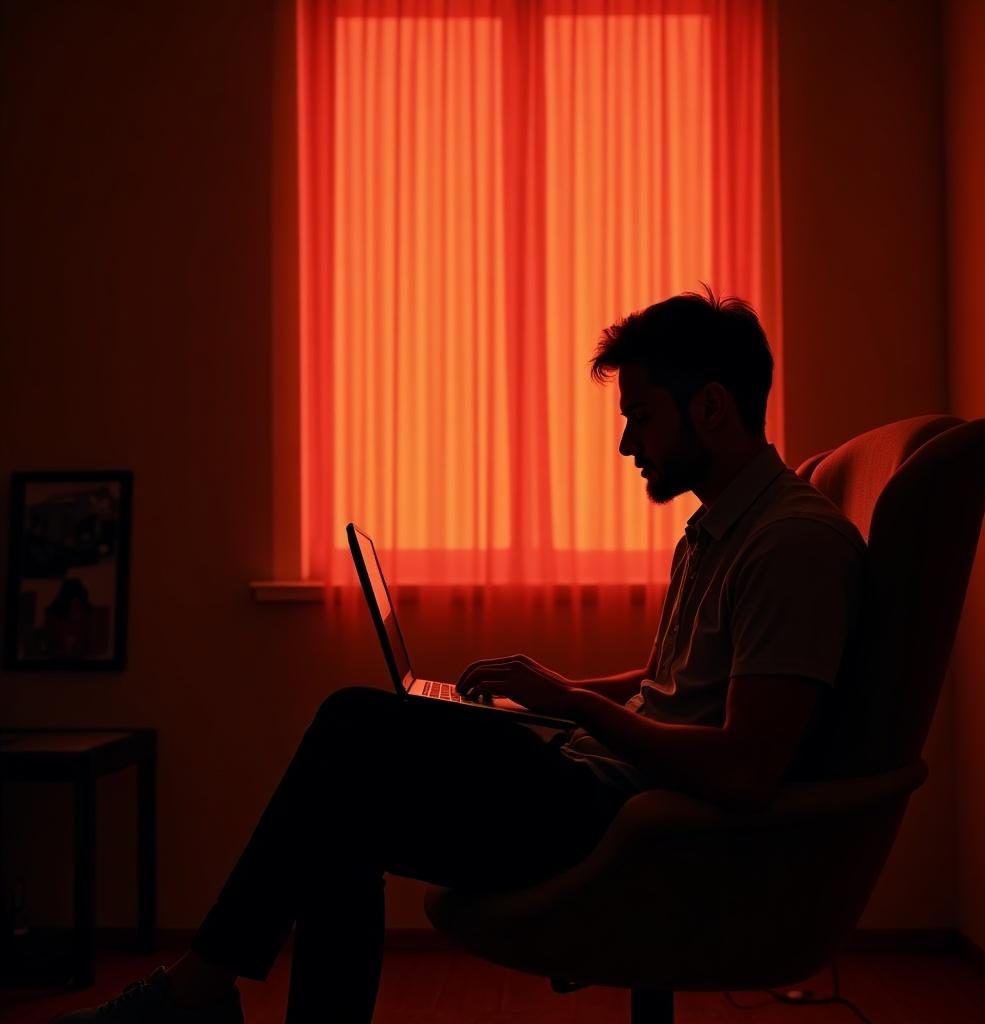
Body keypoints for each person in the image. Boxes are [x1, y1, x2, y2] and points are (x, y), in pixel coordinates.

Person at [54, 287, 865, 1024]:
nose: (626, 444)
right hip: (598, 785)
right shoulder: (719, 529)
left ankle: (194, 993)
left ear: (714, 409)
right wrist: (555, 691)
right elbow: (674, 686)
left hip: (629, 822)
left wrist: (574, 705)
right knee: (342, 817)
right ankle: (202, 993)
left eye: (642, 415)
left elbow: (745, 768)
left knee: (351, 726)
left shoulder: (789, 544)